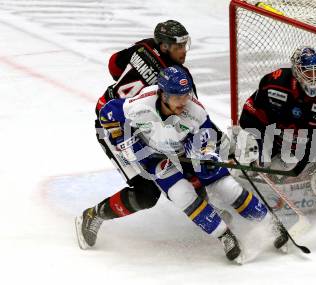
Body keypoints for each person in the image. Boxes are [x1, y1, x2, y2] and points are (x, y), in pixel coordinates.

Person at [76, 66, 289, 262]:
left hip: (186, 148)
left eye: (185, 95)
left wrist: (207, 157)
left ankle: (270, 223)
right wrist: (124, 141)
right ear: (163, 94)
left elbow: (206, 142)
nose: (183, 101)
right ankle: (224, 236)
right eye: (177, 96)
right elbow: (108, 113)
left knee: (227, 186)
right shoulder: (140, 105)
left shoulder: (195, 112)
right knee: (180, 194)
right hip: (153, 155)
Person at [85, 20, 202, 249]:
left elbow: (114, 65)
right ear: (165, 46)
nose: (183, 51)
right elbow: (187, 114)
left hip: (132, 118)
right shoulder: (177, 75)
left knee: (184, 167)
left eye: (185, 44)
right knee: (145, 193)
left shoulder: (144, 46)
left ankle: (209, 210)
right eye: (178, 46)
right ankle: (93, 215)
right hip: (113, 126)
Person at [239, 46, 316, 195]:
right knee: (249, 163)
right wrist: (257, 146)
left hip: (310, 153)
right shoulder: (275, 82)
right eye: (307, 71)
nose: (312, 76)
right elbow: (249, 113)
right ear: (297, 70)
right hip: (277, 144)